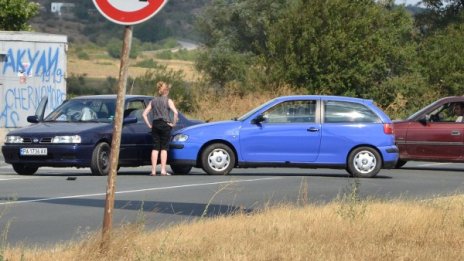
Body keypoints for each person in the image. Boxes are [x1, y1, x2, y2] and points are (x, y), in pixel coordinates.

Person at [143, 81, 178, 176]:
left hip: (155, 124)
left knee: (155, 148)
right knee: (164, 148)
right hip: (165, 124)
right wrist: (173, 124)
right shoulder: (168, 101)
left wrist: (149, 125)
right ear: (166, 91)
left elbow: (144, 114)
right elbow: (175, 113)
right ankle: (163, 170)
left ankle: (153, 170)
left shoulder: (153, 101)